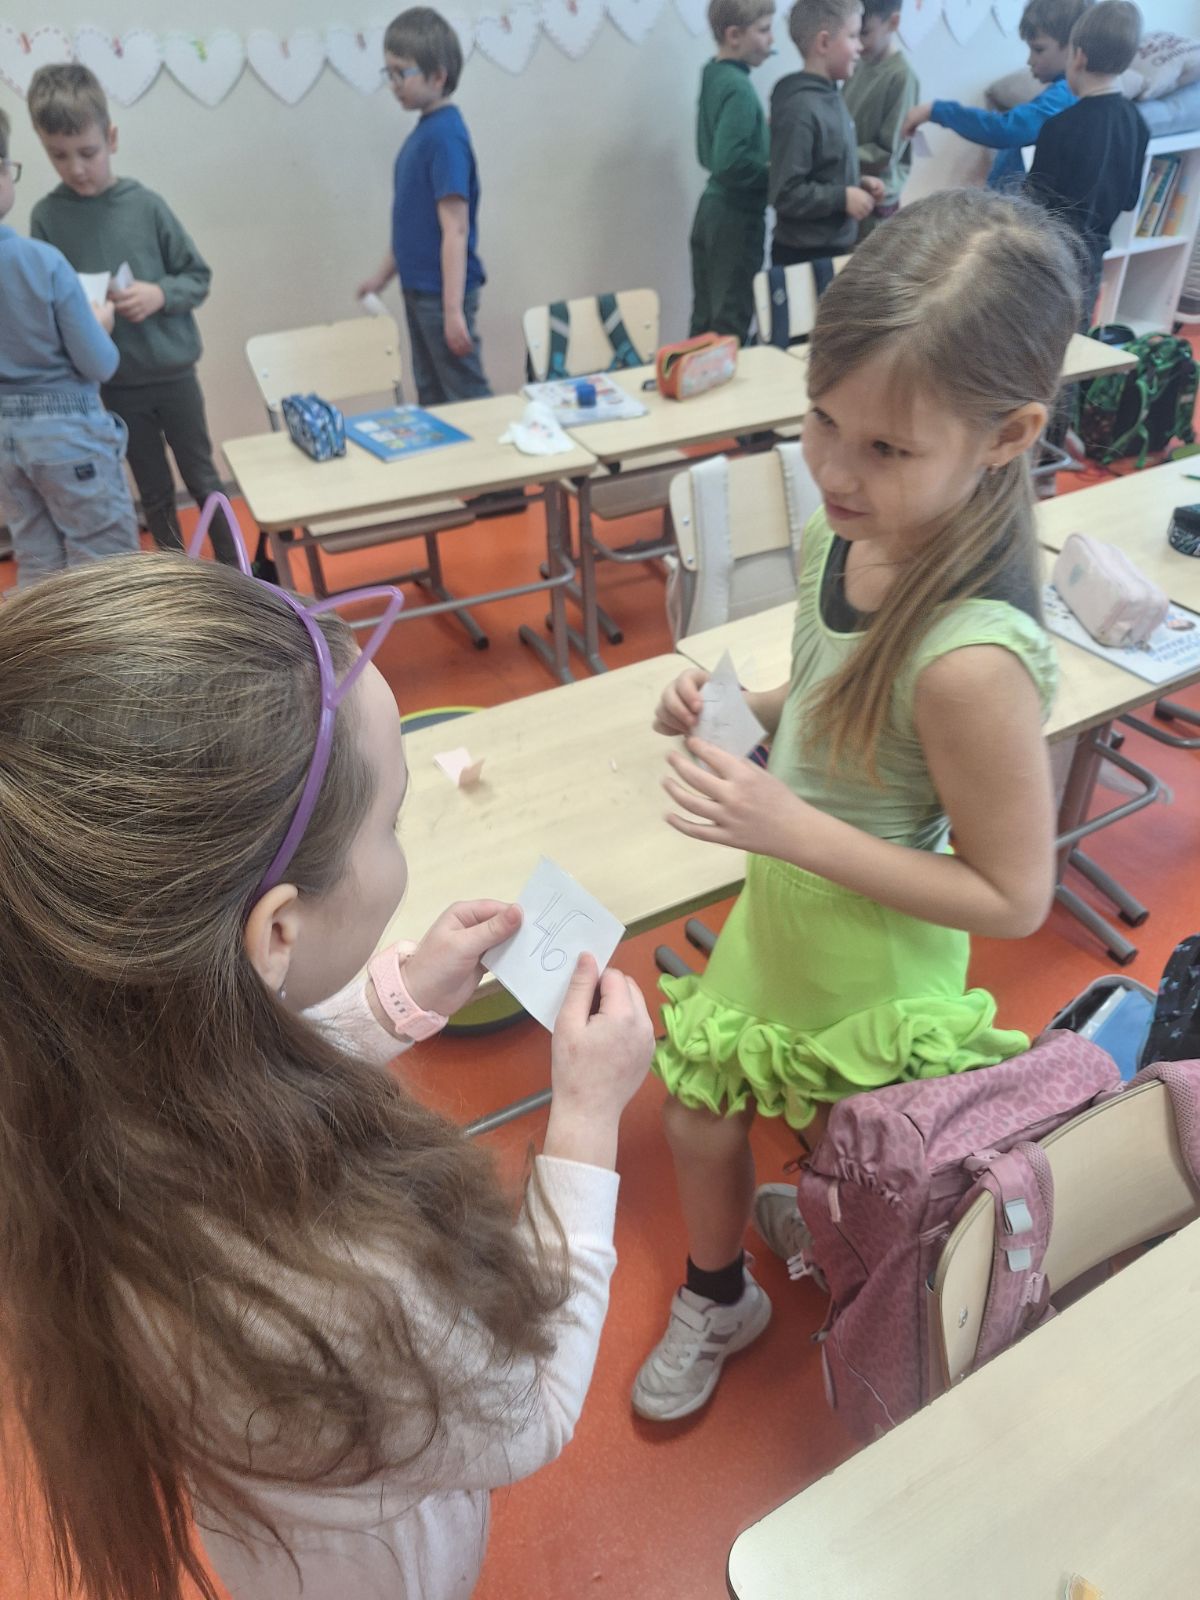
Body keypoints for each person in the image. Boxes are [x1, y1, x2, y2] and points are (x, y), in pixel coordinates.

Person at [0, 548, 655, 1600]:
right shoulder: (337, 1276)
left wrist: (405, 996)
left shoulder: (69, 1067)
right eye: (389, 822)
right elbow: (527, 1414)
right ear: (278, 930)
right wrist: (585, 1118)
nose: (397, 845)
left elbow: (224, 1053)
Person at [631, 187, 1079, 1423]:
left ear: (1006, 434)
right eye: (822, 420)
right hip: (782, 912)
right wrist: (747, 708)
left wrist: (790, 825)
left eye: (884, 449)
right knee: (699, 1110)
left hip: (875, 961)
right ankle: (719, 1292)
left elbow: (1014, 894)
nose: (832, 469)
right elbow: (836, 686)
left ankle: (850, 1269)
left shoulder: (973, 660)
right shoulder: (849, 531)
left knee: (864, 1150)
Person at [27, 64, 237, 565]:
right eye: (59, 155)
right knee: (153, 491)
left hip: (174, 376)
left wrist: (159, 294)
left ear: (112, 138)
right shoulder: (47, 218)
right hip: (116, 385)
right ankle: (174, 588)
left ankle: (239, 575)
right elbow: (46, 307)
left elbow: (198, 276)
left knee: (203, 479)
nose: (76, 169)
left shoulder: (147, 206)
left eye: (88, 152)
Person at [0, 105, 138, 585]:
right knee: (107, 567)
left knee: (36, 561)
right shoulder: (42, 261)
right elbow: (99, 363)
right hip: (64, 431)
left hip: (4, 440)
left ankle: (39, 637)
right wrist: (100, 322)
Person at [358, 8, 492, 406]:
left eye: (402, 73)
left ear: (437, 76)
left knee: (467, 396)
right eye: (389, 74)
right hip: (419, 291)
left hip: (440, 295)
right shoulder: (424, 136)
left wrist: (452, 311)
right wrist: (381, 277)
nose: (394, 85)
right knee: (432, 394)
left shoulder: (445, 138)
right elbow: (410, 228)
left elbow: (455, 229)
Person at [1026, 0, 1147, 323]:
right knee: (1075, 339)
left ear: (1078, 56)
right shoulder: (1138, 124)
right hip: (1092, 260)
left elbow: (1032, 205)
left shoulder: (1059, 127)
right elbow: (1129, 199)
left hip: (1051, 262)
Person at [903, 0, 1092, 190]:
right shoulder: (1065, 92)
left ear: (1073, 48)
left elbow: (1004, 129)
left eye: (1038, 50)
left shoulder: (1064, 96)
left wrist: (935, 110)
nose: (1030, 60)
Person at [770, 0, 883, 293]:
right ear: (823, 42)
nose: (860, 46)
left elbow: (822, 168)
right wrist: (841, 197)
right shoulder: (800, 107)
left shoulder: (830, 95)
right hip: (803, 258)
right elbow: (785, 192)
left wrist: (856, 184)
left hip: (833, 250)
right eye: (852, 36)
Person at [688, 0, 775, 343]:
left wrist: (761, 130)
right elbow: (729, 162)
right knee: (729, 327)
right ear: (734, 35)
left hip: (711, 213)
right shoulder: (739, 87)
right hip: (736, 221)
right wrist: (777, 176)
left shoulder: (713, 73)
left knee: (704, 322)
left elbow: (713, 154)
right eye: (764, 30)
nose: (771, 39)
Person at [843, 0, 919, 240]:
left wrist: (830, 156)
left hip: (876, 200)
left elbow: (886, 153)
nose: (858, 43)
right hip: (850, 184)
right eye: (853, 33)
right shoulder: (857, 64)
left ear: (893, 23)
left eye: (865, 33)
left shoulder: (901, 77)